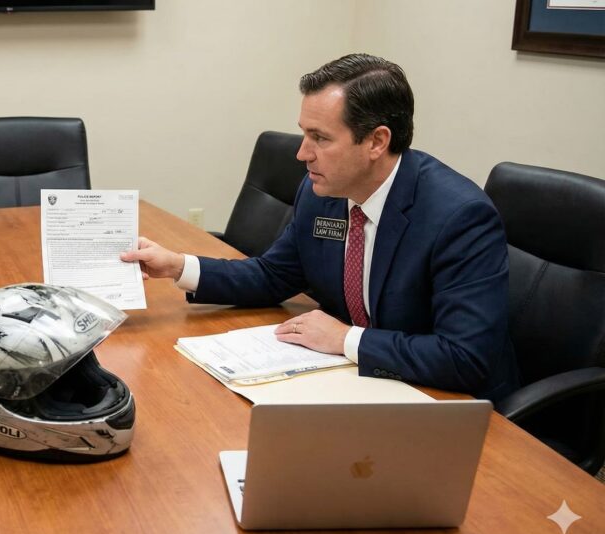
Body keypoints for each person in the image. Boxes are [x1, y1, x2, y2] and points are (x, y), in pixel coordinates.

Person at [121, 53, 518, 402]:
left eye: (320, 138)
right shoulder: (322, 193)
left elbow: (464, 358)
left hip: (449, 404)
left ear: (377, 142)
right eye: (304, 133)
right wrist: (177, 266)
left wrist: (344, 339)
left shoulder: (458, 217)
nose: (302, 153)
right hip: (357, 381)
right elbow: (274, 275)